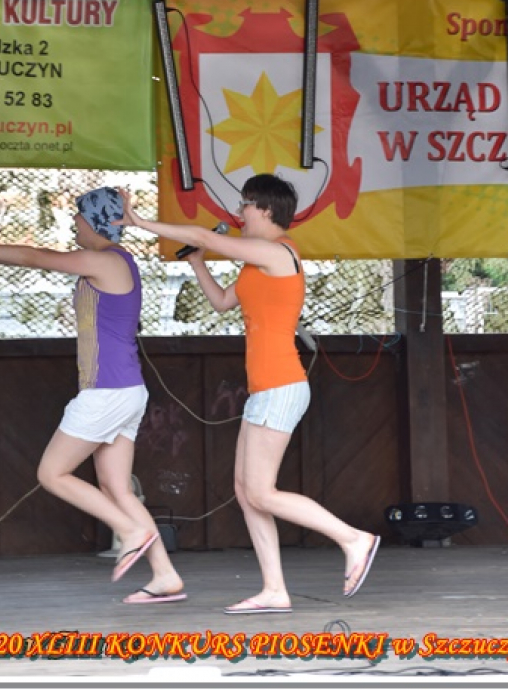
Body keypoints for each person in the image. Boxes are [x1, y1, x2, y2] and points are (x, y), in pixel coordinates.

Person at [120, 173, 379, 615]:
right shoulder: (255, 263)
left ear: (265, 209)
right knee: (246, 491)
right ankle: (274, 589)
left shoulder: (278, 253)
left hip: (281, 386)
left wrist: (140, 221)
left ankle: (353, 539)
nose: (239, 214)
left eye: (245, 206)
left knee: (260, 492)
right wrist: (198, 263)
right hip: (265, 389)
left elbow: (205, 235)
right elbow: (223, 302)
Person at [0, 186, 185, 605]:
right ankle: (165, 575)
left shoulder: (106, 260)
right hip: (124, 391)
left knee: (52, 474)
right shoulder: (112, 262)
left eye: (78, 216)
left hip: (107, 392)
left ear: (95, 220)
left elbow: (35, 257)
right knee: (117, 488)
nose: (73, 222)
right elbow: (36, 259)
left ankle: (130, 531)